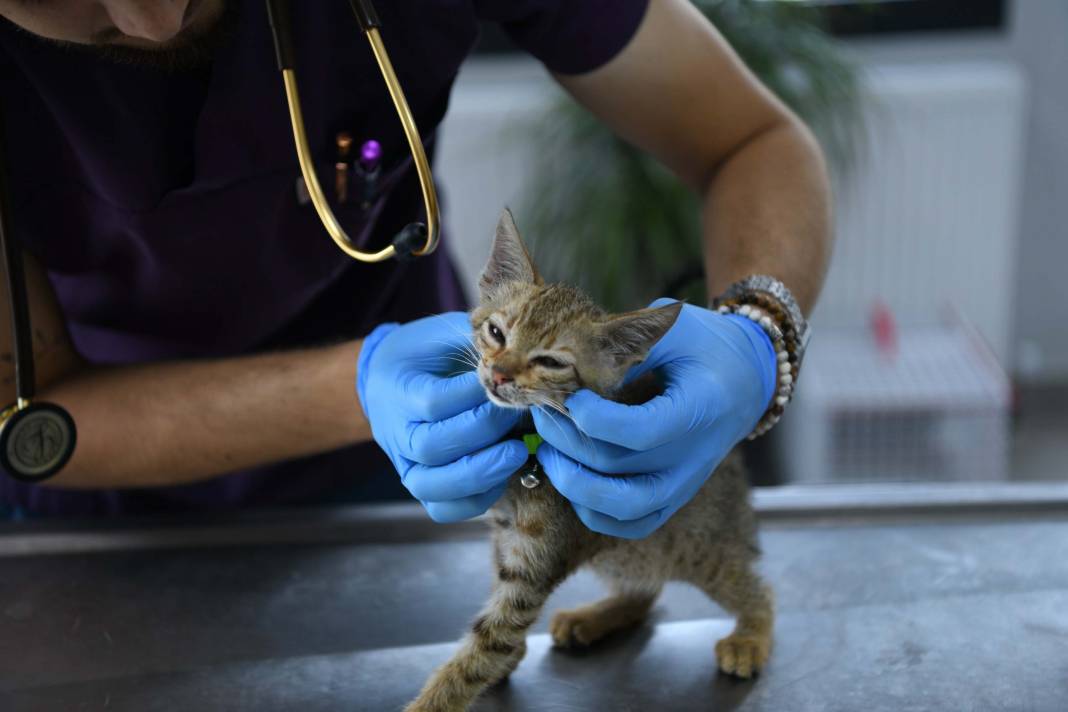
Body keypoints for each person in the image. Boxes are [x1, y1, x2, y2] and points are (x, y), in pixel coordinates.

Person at [0, 0, 830, 534]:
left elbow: (750, 143)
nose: (152, 15)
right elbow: (27, 420)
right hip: (90, 522)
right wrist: (359, 385)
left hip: (423, 480)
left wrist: (759, 339)